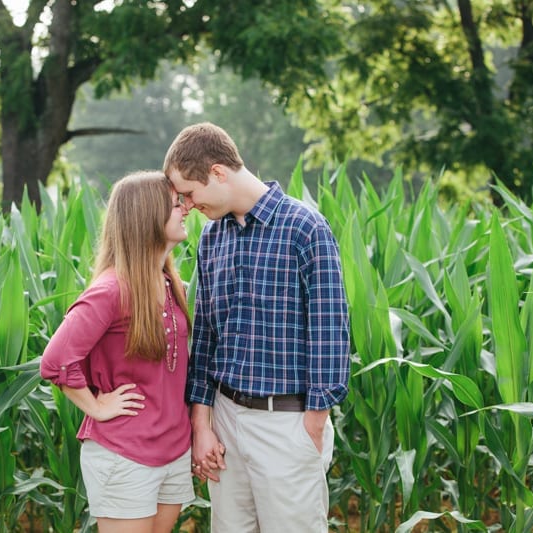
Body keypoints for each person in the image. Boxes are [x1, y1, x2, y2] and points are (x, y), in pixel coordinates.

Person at [163, 122, 351, 532]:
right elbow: (207, 337)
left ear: (217, 172)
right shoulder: (213, 239)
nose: (188, 206)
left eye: (190, 194)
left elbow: (330, 331)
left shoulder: (305, 228)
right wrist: (202, 424)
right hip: (225, 422)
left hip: (289, 421)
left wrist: (312, 426)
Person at [40, 170, 194, 533]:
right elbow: (55, 360)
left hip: (173, 449)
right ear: (147, 217)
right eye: (176, 204)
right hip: (124, 454)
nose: (186, 208)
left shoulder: (170, 283)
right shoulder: (110, 290)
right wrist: (95, 406)